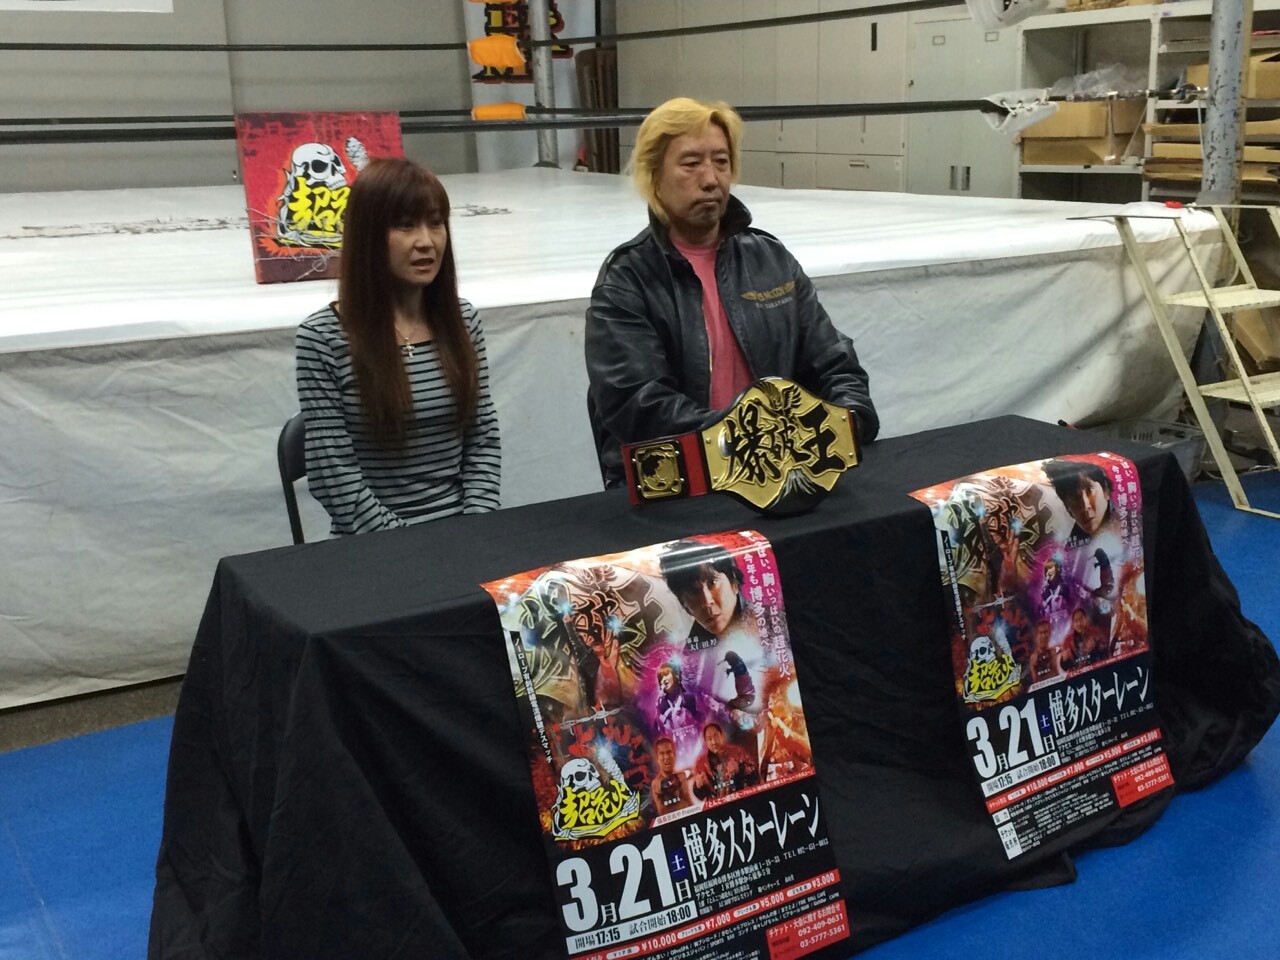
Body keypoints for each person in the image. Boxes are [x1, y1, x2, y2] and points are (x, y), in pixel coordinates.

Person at [584, 97, 878, 488]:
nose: (711, 179)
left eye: (721, 162)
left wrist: (849, 418)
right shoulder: (628, 278)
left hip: (780, 476)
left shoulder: (770, 259)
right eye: (691, 163)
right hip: (681, 487)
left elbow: (834, 363)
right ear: (653, 175)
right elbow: (639, 404)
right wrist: (756, 439)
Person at [295, 158, 500, 535]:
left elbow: (483, 438)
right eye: (405, 225)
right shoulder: (323, 337)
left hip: (466, 538)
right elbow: (332, 475)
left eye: (435, 223)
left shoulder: (462, 321)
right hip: (375, 546)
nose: (426, 241)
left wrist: (476, 529)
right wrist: (409, 546)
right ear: (368, 236)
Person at [659, 539, 757, 646]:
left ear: (734, 583)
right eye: (692, 592)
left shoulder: (766, 621)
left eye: (713, 583)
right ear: (684, 605)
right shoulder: (690, 653)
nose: (707, 602)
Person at [691, 722, 759, 801]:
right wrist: (698, 787)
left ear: (722, 735)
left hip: (740, 800)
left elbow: (755, 776)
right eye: (709, 739)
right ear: (706, 742)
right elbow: (701, 796)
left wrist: (740, 769)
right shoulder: (701, 763)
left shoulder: (737, 752)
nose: (713, 742)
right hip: (717, 806)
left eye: (716, 736)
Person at [649, 736, 695, 815]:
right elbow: (668, 784)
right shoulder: (656, 783)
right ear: (657, 758)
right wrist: (686, 774)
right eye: (662, 754)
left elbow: (689, 802)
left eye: (669, 752)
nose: (666, 757)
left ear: (674, 754)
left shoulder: (681, 776)